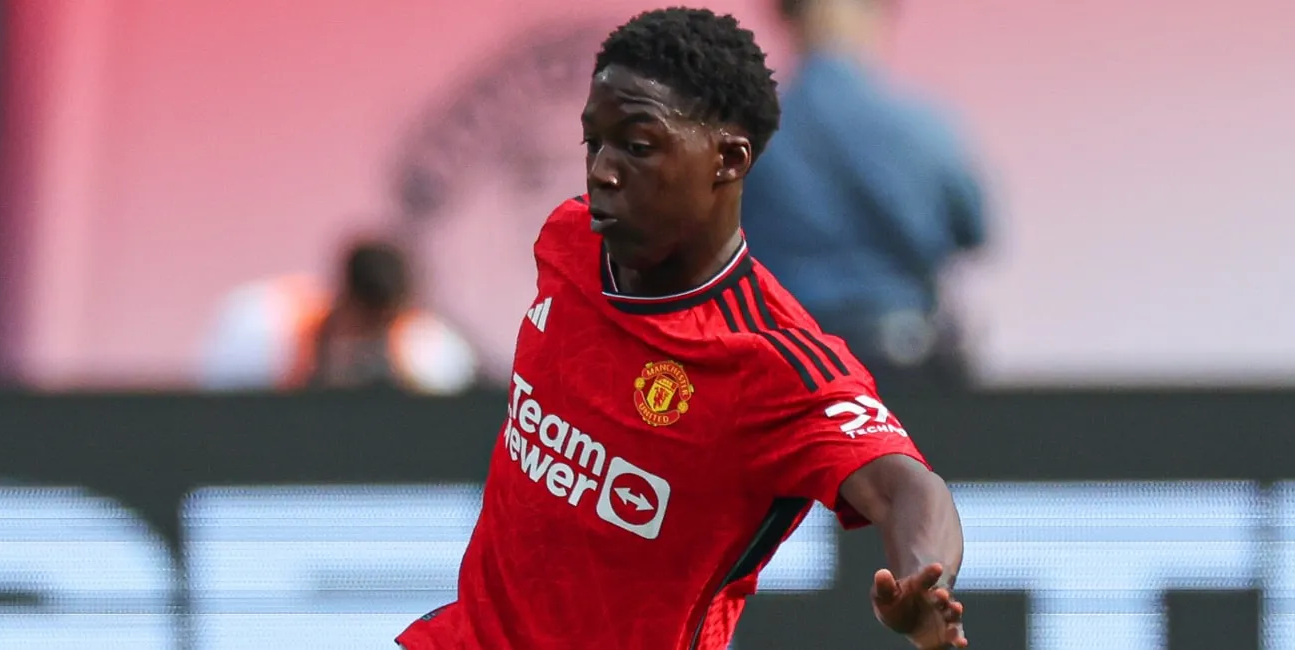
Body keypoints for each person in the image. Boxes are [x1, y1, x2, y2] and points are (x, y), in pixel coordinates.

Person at [396, 8, 966, 650]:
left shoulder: (775, 362)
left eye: (638, 146)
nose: (601, 171)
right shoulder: (568, 239)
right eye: (593, 142)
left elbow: (907, 487)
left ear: (728, 159)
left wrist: (923, 575)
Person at [741, 0, 987, 388]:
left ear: (788, 18)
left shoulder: (745, 134)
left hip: (784, 368)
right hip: (903, 366)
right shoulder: (920, 125)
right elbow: (974, 230)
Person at [200, 238, 477, 393]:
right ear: (346, 298)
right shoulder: (266, 326)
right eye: (367, 320)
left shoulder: (423, 347)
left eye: (385, 321)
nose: (372, 331)